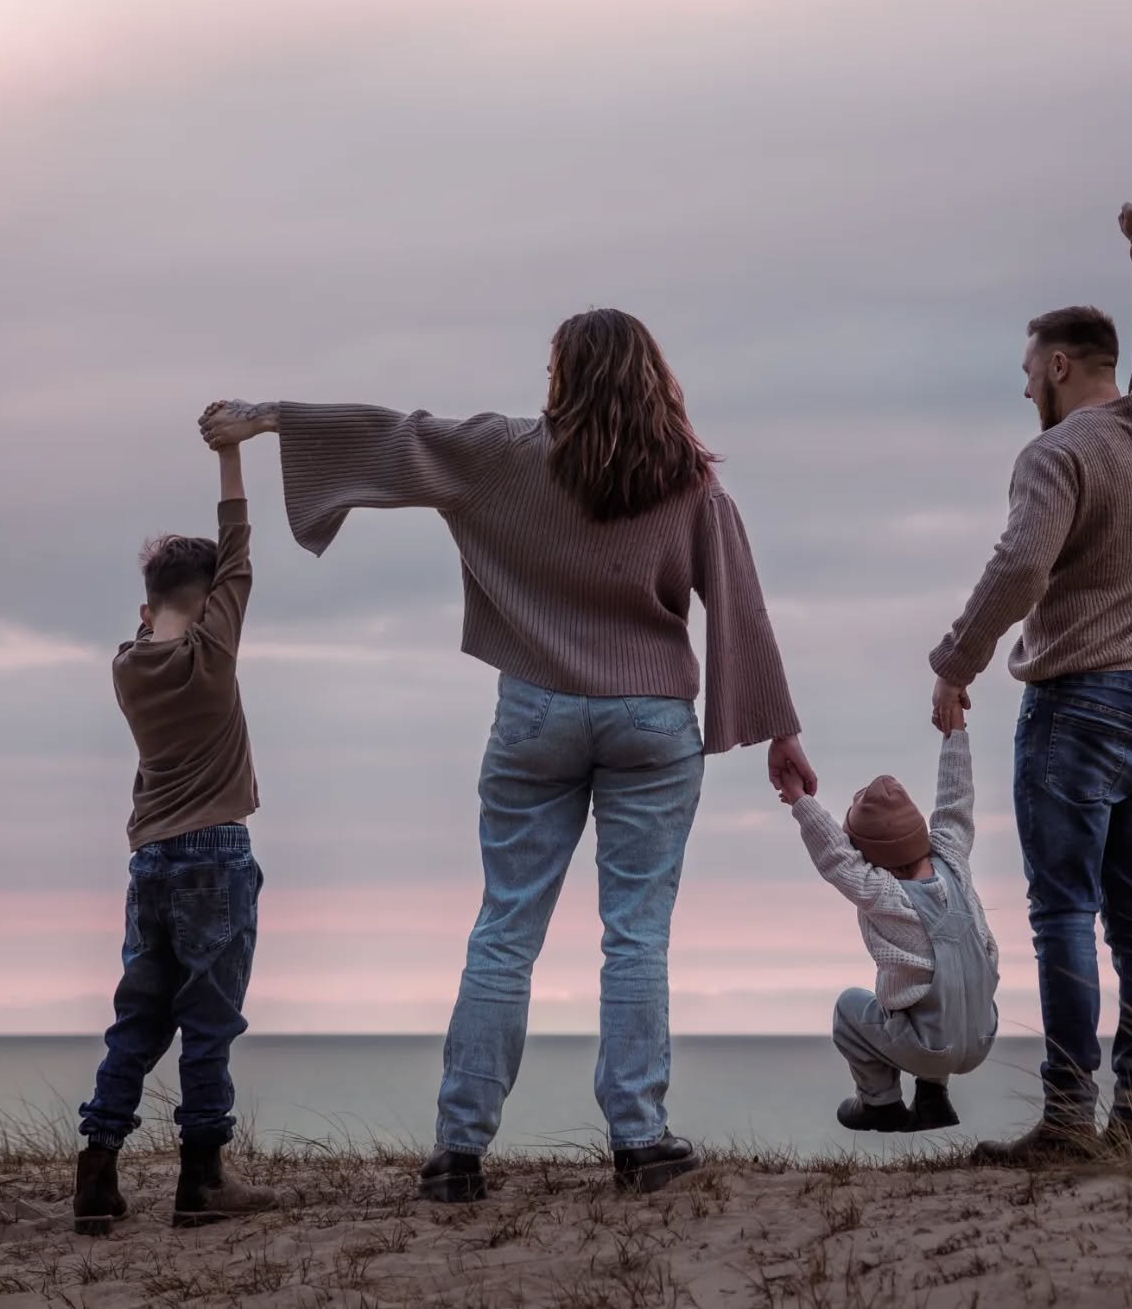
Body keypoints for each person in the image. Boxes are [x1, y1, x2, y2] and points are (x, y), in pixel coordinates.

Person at [199, 308, 814, 1201]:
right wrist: (781, 733)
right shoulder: (691, 485)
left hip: (537, 716)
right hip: (649, 720)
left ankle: (459, 1152)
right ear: (654, 377)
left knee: (505, 930)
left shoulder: (506, 453)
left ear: (563, 374)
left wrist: (269, 417)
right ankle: (640, 1142)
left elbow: (401, 436)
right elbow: (740, 607)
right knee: (635, 935)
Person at [928, 202, 1132, 1165]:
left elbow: (1017, 571)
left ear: (1054, 366)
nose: (1025, 392)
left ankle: (1069, 1122)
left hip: (1076, 707)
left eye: (1027, 374)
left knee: (1061, 916)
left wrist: (955, 662)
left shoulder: (1054, 453)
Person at [74, 426, 274, 1234]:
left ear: (147, 604)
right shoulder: (213, 654)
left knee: (139, 1017)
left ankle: (97, 1170)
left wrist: (158, 610)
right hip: (216, 856)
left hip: (149, 860)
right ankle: (201, 1177)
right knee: (210, 1020)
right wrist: (231, 448)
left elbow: (212, 572)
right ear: (213, 596)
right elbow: (239, 544)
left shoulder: (127, 664)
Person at [780, 723, 998, 1134]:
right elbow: (956, 799)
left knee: (850, 1007)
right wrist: (956, 731)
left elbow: (835, 857)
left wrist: (799, 800)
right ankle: (933, 1098)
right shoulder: (952, 856)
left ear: (869, 855)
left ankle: (880, 1103)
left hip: (930, 1048)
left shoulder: (884, 893)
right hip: (983, 1036)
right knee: (939, 990)